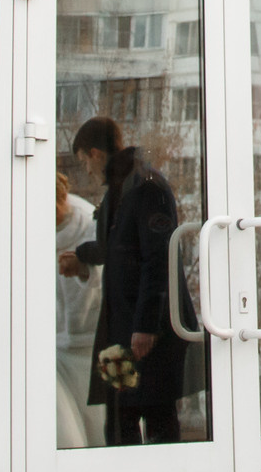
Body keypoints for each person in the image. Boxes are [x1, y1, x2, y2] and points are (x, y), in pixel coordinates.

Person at [66, 116, 193, 444]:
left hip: (145, 333)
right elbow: (115, 247)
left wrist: (146, 327)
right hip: (124, 331)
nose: (87, 172)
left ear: (96, 154)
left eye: (84, 163)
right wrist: (80, 255)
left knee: (155, 418)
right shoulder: (122, 189)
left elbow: (158, 258)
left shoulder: (145, 185)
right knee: (120, 419)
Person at [54, 172, 103, 448]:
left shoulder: (88, 222)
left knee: (95, 422)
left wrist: (82, 268)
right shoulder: (30, 217)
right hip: (55, 343)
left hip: (86, 344)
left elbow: (104, 272)